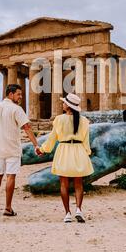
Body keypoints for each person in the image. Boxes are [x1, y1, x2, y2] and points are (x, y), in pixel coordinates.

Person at [0, 84, 43, 216]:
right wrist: (36, 145)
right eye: (19, 94)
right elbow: (27, 127)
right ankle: (8, 208)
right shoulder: (16, 109)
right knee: (10, 176)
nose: (21, 97)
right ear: (10, 94)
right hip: (12, 148)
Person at [39, 93, 94, 223]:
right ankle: (79, 210)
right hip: (79, 150)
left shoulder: (59, 119)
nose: (62, 104)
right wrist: (87, 152)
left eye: (64, 103)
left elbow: (52, 138)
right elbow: (86, 141)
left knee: (63, 184)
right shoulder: (84, 121)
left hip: (64, 151)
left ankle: (68, 213)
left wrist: (43, 149)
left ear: (68, 106)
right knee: (78, 184)